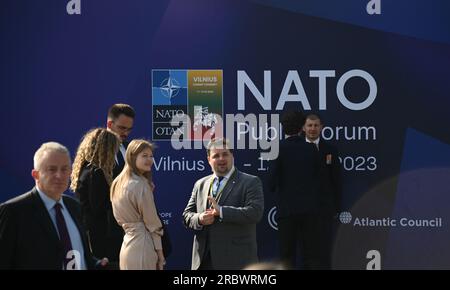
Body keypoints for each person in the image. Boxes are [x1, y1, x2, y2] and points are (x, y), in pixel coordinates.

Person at [0, 142, 108, 269]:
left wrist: (96, 264)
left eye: (64, 169)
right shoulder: (14, 212)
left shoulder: (74, 207)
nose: (59, 175)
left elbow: (76, 253)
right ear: (36, 174)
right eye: (52, 169)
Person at [182, 138, 264, 270]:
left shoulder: (250, 182)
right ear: (209, 159)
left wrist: (222, 211)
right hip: (203, 261)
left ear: (232, 156)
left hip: (236, 261)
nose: (221, 159)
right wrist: (200, 219)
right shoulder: (200, 184)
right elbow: (186, 215)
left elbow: (255, 213)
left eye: (225, 154)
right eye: (216, 156)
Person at [268, 110, 322, 269]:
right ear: (302, 128)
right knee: (310, 255)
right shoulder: (312, 149)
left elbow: (271, 182)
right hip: (310, 211)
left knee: (286, 256)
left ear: (283, 128)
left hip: (287, 211)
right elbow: (319, 178)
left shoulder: (279, 148)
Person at [70, 128, 124, 267]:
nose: (115, 153)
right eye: (114, 148)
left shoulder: (86, 170)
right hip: (102, 239)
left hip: (93, 235)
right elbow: (99, 208)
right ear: (106, 148)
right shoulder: (96, 173)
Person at [110, 139, 165, 270]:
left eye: (151, 156)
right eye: (144, 155)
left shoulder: (117, 183)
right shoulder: (140, 185)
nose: (149, 160)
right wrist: (160, 254)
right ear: (132, 156)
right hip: (143, 247)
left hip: (127, 246)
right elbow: (152, 224)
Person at [303, 113, 342, 268]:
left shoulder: (330, 149)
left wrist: (337, 207)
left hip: (324, 209)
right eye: (310, 125)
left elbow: (336, 180)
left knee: (324, 248)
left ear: (321, 127)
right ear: (303, 128)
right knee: (306, 249)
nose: (313, 129)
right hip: (302, 209)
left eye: (316, 125)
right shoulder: (296, 149)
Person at [106, 103, 135, 178]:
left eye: (129, 129)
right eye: (122, 128)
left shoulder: (131, 149)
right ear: (109, 124)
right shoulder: (94, 150)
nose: (126, 133)